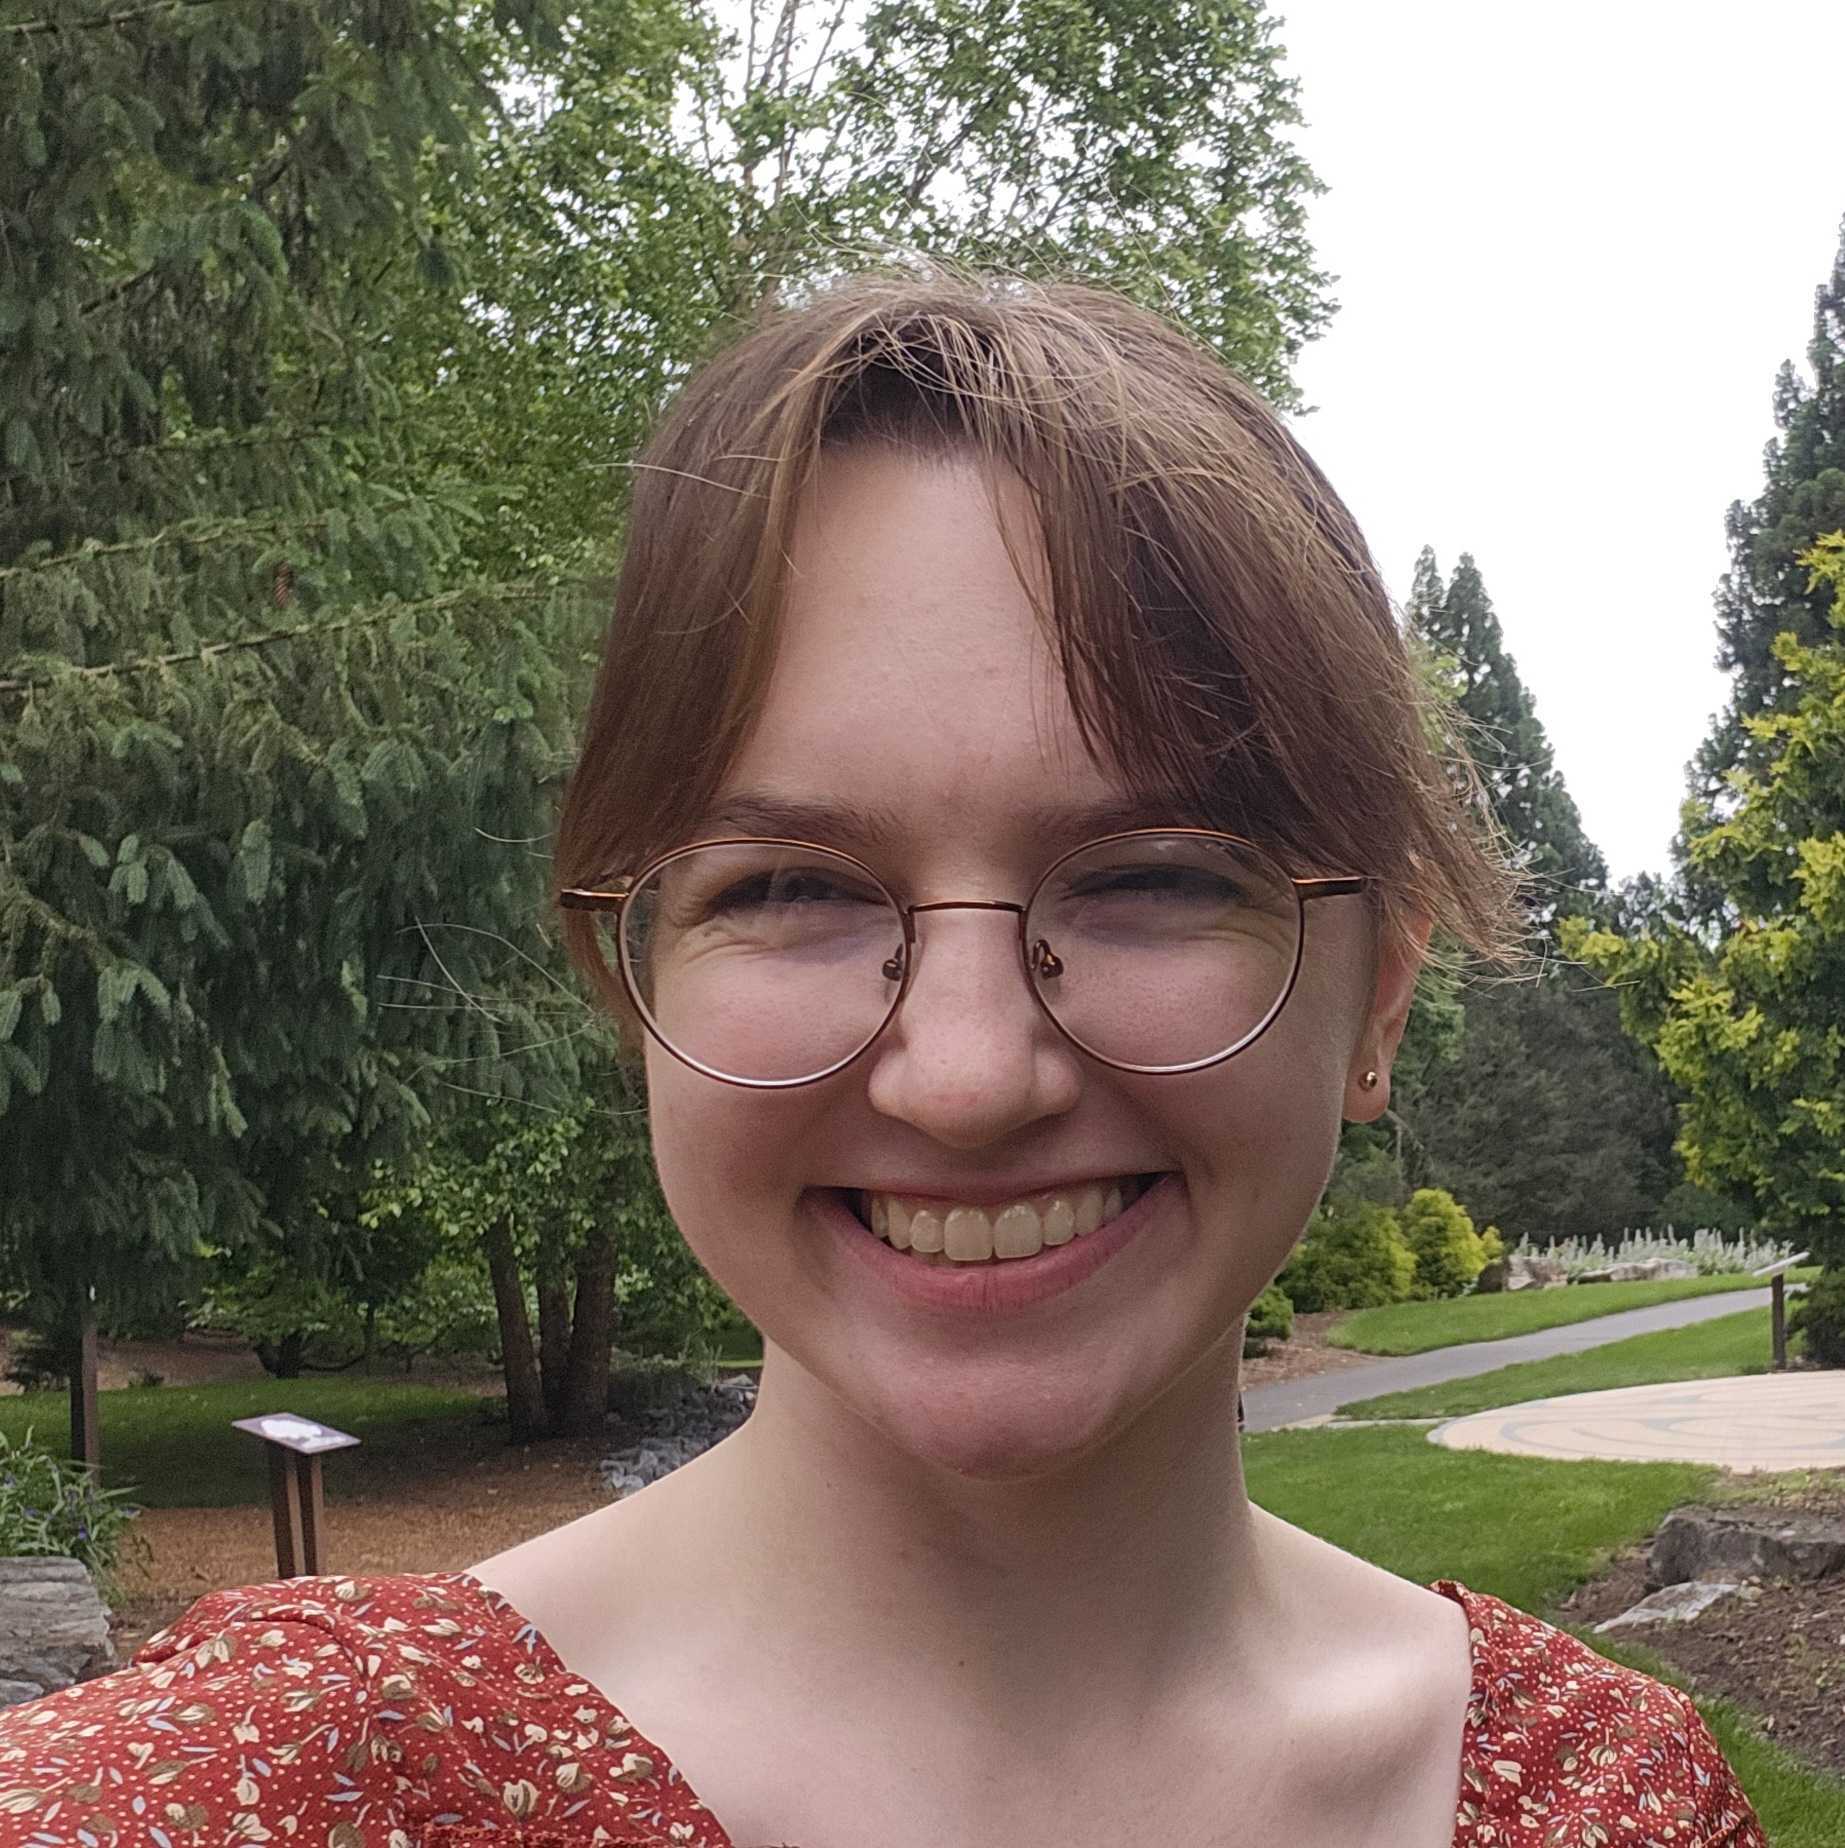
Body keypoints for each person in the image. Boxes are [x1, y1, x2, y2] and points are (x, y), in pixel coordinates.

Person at [0, 271, 1765, 1848]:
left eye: (1148, 879)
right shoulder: (219, 1806)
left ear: (1377, 994)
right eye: (790, 888)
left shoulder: (1608, 1807)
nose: (966, 1074)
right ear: (632, 990)